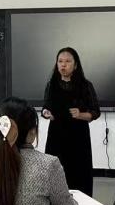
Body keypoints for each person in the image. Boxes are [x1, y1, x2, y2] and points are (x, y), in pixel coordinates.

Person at [42, 47, 100, 196]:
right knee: (55, 173)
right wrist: (46, 113)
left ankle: (81, 204)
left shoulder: (85, 86)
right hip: (56, 137)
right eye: (60, 61)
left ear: (75, 65)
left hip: (78, 138)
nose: (63, 65)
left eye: (67, 61)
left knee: (79, 175)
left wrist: (81, 115)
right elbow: (46, 107)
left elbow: (95, 112)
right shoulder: (52, 85)